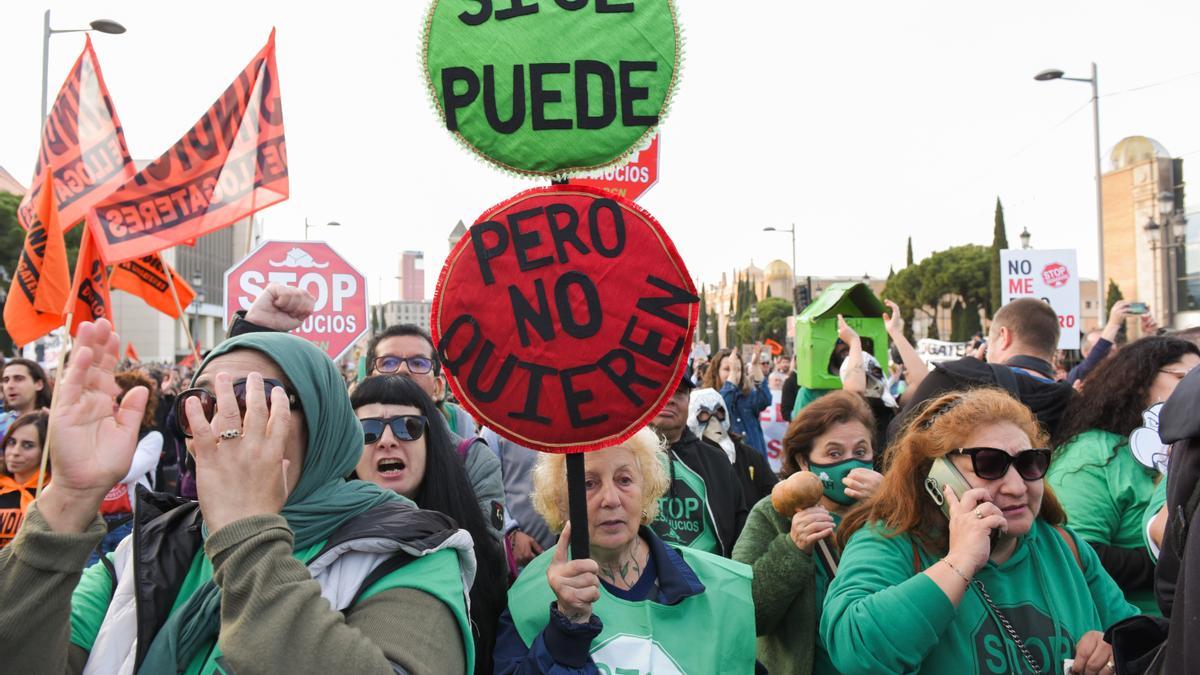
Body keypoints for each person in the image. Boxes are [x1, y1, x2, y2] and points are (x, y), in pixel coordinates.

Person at [0, 319, 475, 673]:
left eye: (255, 400)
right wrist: (68, 498)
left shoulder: (412, 552)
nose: (220, 425)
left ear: (322, 424)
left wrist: (246, 534)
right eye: (201, 404)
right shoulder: (147, 548)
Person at [822, 388, 1138, 674]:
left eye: (1029, 463)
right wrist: (959, 561)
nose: (1017, 487)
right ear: (938, 476)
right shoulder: (891, 542)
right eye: (989, 464)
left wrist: (1112, 650)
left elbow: (1138, 640)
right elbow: (855, 651)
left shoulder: (1065, 546)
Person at [229, 284, 507, 540]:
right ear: (369, 377)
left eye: (418, 363)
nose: (402, 370)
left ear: (437, 386)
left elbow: (484, 559)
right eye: (388, 362)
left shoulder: (474, 461)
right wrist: (255, 330)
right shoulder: (333, 455)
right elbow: (253, 417)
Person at [493, 427, 757, 673]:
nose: (611, 499)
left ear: (647, 490)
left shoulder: (720, 588)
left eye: (624, 480)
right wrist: (565, 630)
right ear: (560, 504)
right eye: (588, 483)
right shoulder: (528, 598)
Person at [350, 374, 508, 674]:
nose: (387, 441)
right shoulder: (322, 539)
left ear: (431, 442)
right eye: (367, 431)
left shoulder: (478, 548)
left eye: (408, 427)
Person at [733, 391, 883, 675]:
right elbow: (746, 613)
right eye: (834, 453)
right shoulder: (774, 513)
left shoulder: (892, 507)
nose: (850, 464)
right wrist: (792, 548)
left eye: (861, 452)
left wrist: (894, 506)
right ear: (804, 462)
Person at [1047, 336, 1200, 614]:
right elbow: (1075, 553)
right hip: (1134, 631)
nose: (1195, 387)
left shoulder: (1189, 449)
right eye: (1184, 376)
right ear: (1139, 382)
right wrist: (1170, 553)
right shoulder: (1092, 454)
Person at [889, 297, 1074, 442]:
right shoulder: (1077, 403)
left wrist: (963, 370)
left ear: (1004, 336)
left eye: (989, 342)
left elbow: (898, 435)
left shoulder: (962, 379)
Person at [647, 373, 749, 557]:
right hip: (647, 579)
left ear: (689, 403)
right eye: (662, 390)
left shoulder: (716, 461)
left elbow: (740, 529)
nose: (670, 399)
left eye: (679, 393)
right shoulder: (625, 458)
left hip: (710, 580)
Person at [86, 371, 164, 566]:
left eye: (119, 398)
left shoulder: (151, 437)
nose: (113, 403)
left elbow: (125, 472)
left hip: (128, 522)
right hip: (93, 522)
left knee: (125, 582)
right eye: (109, 398)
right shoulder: (92, 434)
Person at [481, 428, 557, 572]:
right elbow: (486, 489)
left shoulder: (573, 416)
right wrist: (510, 531)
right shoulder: (495, 424)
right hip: (524, 560)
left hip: (582, 555)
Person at [687, 387, 777, 508]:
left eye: (718, 412)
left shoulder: (749, 457)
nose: (714, 421)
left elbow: (773, 494)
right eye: (704, 414)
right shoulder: (686, 461)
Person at [704, 347, 772, 455]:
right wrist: (732, 379)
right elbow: (721, 406)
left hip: (755, 461)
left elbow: (765, 399)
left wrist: (755, 366)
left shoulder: (747, 396)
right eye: (727, 369)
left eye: (738, 369)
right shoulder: (708, 398)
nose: (735, 373)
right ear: (716, 371)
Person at [0, 411, 49, 548]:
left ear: (45, 451)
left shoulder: (51, 493)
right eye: (11, 442)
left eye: (28, 445)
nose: (15, 452)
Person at [0, 358, 52, 439]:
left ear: (39, 384)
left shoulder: (53, 423)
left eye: (19, 379)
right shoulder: (1, 421)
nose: (10, 386)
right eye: (6, 380)